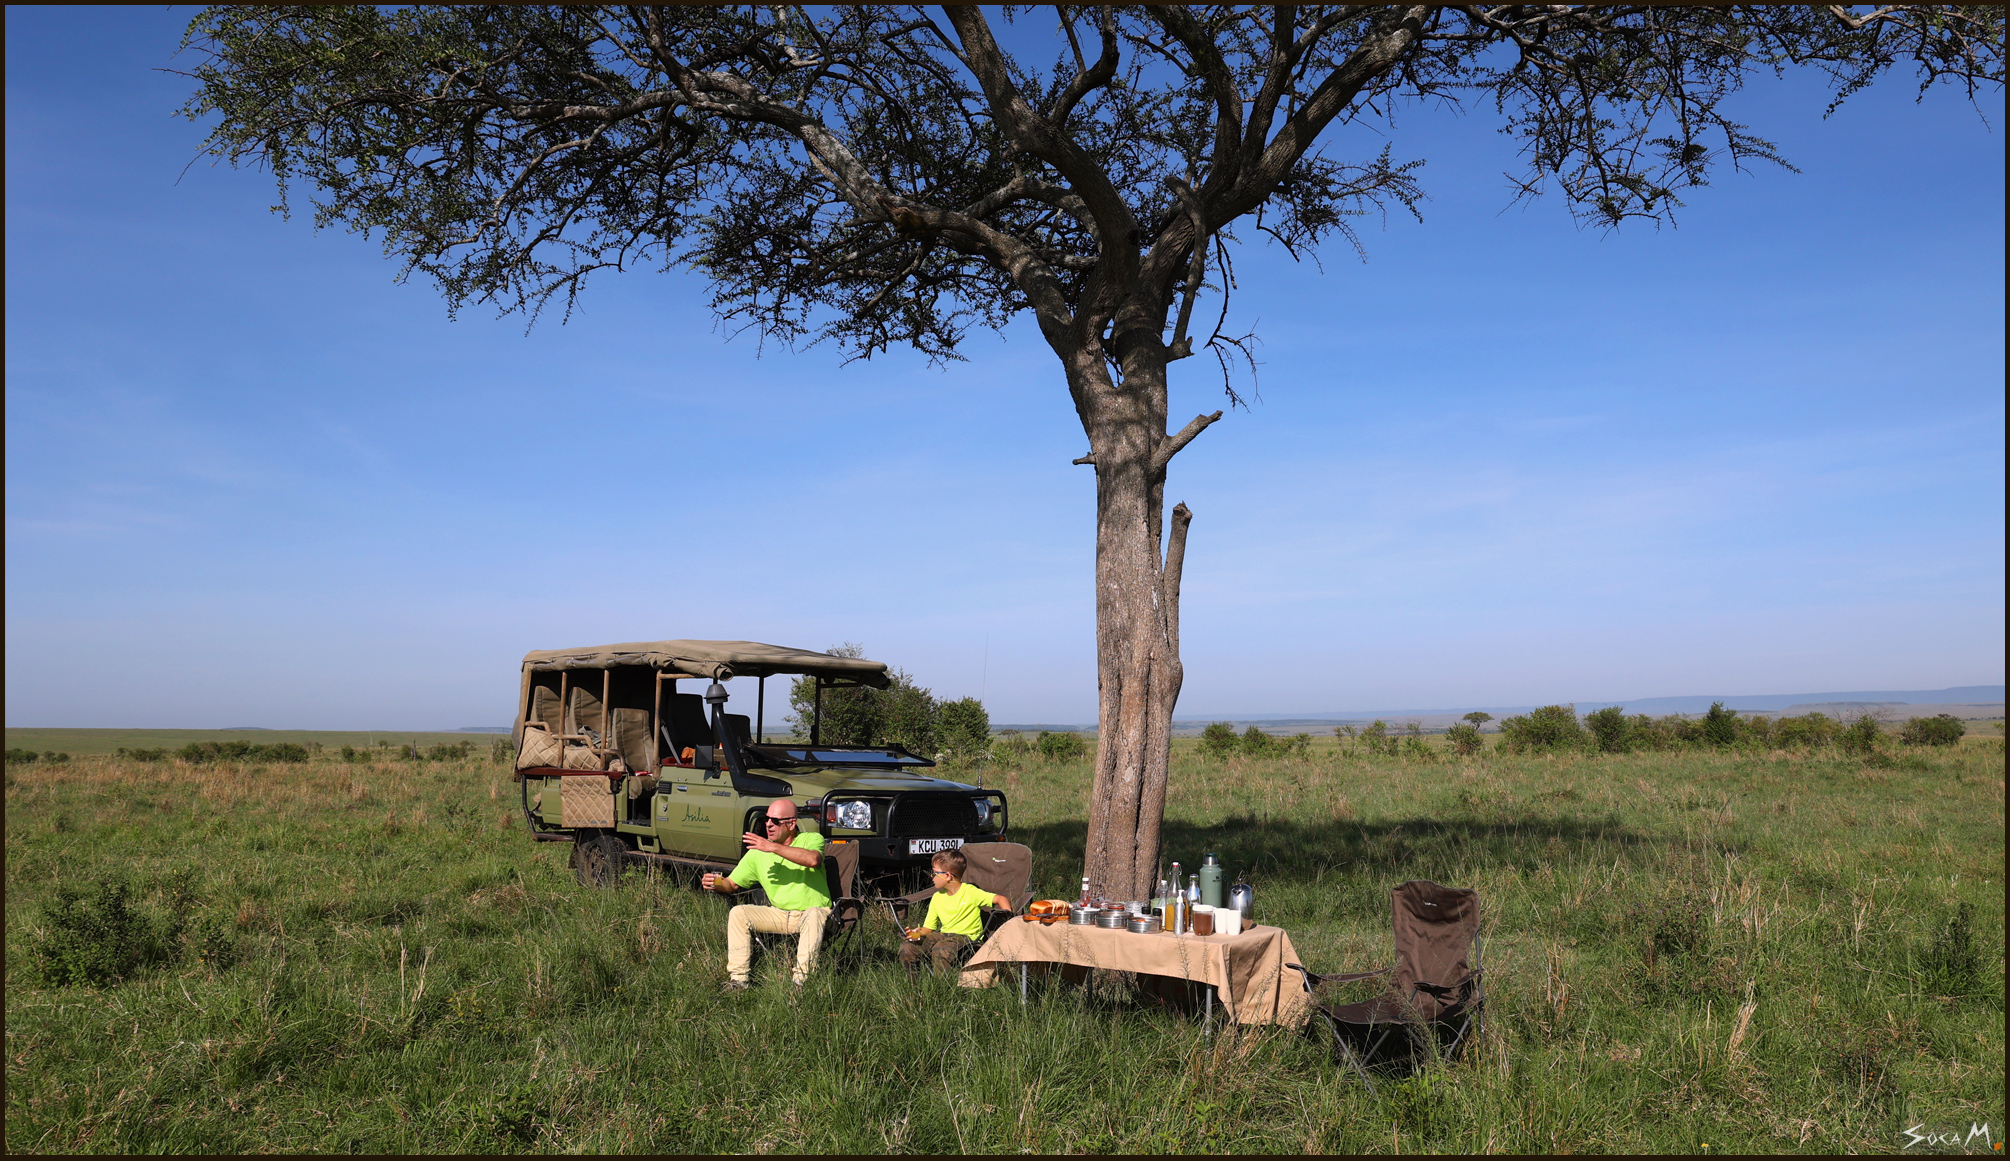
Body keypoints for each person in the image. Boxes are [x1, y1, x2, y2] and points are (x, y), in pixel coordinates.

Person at [701, 798, 830, 989]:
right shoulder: (757, 853)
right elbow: (732, 884)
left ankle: (801, 983)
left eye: (775, 821)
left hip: (813, 913)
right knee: (739, 913)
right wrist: (716, 883)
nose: (769, 824)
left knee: (814, 914)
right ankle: (738, 980)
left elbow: (813, 860)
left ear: (792, 823)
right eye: (767, 818)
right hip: (780, 914)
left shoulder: (811, 839)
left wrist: (772, 848)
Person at [898, 848, 1009, 975]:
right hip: (944, 935)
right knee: (908, 947)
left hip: (968, 938)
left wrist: (1007, 915)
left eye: (934, 873)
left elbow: (1000, 898)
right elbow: (928, 928)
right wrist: (916, 934)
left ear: (947, 876)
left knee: (941, 949)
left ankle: (942, 990)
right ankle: (914, 990)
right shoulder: (937, 897)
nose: (931, 876)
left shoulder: (970, 892)